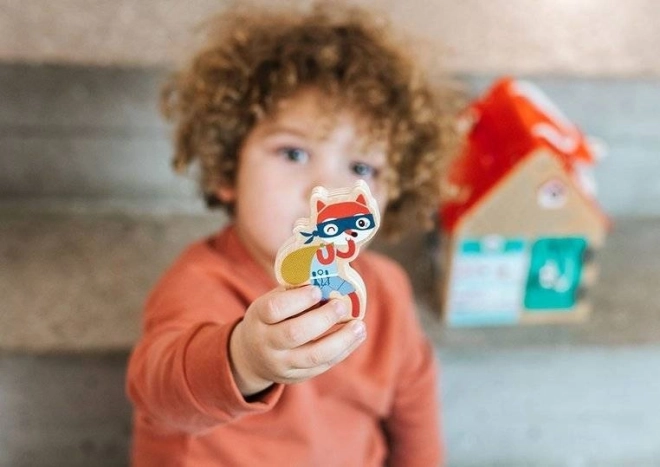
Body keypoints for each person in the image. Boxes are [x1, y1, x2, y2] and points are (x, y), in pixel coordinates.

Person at [126, 3, 460, 466]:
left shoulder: (386, 291)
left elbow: (416, 418)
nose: (325, 189)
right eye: (294, 154)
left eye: (361, 167)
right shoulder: (200, 282)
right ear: (228, 166)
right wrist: (243, 358)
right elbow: (156, 393)